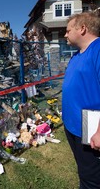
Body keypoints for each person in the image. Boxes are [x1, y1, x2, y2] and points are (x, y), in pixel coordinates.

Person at [62, 11, 100, 189]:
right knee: (84, 170)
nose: (65, 34)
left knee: (91, 178)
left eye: (68, 30)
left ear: (82, 29)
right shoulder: (77, 55)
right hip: (73, 126)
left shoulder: (98, 50)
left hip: (91, 127)